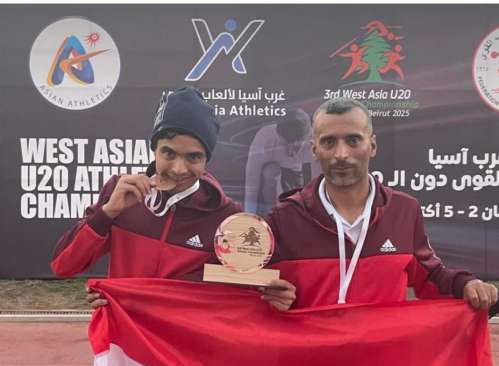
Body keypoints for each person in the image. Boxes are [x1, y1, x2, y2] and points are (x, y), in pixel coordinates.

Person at [50, 86, 295, 311]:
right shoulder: (120, 193)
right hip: (124, 338)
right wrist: (108, 213)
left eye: (193, 157)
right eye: (168, 153)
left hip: (182, 342)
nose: (179, 169)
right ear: (154, 150)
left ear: (206, 159)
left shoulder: (227, 217)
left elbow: (243, 292)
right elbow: (64, 266)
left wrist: (276, 295)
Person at [266, 98, 498, 311]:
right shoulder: (285, 217)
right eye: (329, 142)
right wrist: (270, 296)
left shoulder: (404, 210)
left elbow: (430, 277)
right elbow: (259, 289)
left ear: (372, 145)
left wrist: (465, 284)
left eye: (353, 140)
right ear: (314, 150)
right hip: (313, 344)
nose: (341, 154)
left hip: (384, 345)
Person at [244, 108, 319, 216]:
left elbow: (318, 183)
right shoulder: (264, 138)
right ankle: (272, 213)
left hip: (300, 176)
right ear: (278, 135)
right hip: (274, 174)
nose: (291, 152)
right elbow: (252, 182)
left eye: (296, 147)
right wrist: (249, 215)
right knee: (270, 172)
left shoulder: (315, 141)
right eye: (285, 144)